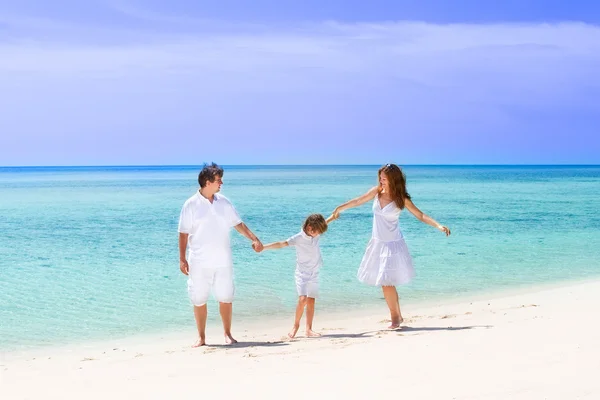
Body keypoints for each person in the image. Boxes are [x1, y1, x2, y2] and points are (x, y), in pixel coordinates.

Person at [331, 163, 450, 329]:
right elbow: (358, 201)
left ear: (393, 180)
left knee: (387, 282)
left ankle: (395, 318)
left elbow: (420, 215)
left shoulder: (401, 199)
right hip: (377, 243)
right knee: (386, 282)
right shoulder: (376, 191)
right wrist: (340, 208)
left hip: (392, 245)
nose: (381, 181)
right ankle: (398, 316)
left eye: (384, 179)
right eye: (380, 178)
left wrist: (438, 226)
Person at [178, 163, 264, 347]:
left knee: (226, 297)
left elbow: (237, 223)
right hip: (199, 262)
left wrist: (254, 238)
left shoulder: (223, 202)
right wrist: (182, 258)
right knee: (199, 298)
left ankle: (227, 334)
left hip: (223, 261)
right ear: (207, 182)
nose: (221, 183)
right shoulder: (191, 204)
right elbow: (183, 232)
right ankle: (201, 337)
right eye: (218, 180)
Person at [260, 214, 335, 339]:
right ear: (309, 227)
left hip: (314, 273)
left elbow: (325, 223)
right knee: (302, 299)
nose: (318, 234)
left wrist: (333, 217)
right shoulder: (298, 238)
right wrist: (264, 247)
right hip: (302, 274)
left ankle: (309, 329)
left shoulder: (315, 232)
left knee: (311, 301)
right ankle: (295, 325)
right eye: (317, 232)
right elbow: (282, 243)